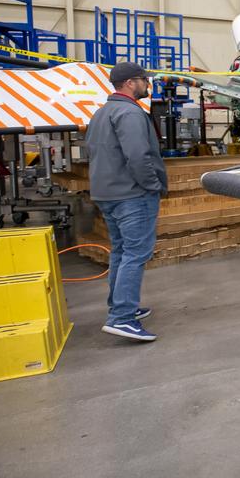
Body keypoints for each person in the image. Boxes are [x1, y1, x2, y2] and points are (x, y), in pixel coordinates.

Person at [86, 61, 168, 342]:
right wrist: (153, 186)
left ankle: (121, 307)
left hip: (107, 194)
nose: (147, 85)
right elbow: (138, 157)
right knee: (135, 254)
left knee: (121, 252)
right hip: (132, 195)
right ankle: (121, 317)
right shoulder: (130, 113)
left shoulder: (102, 113)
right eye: (145, 80)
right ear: (132, 83)